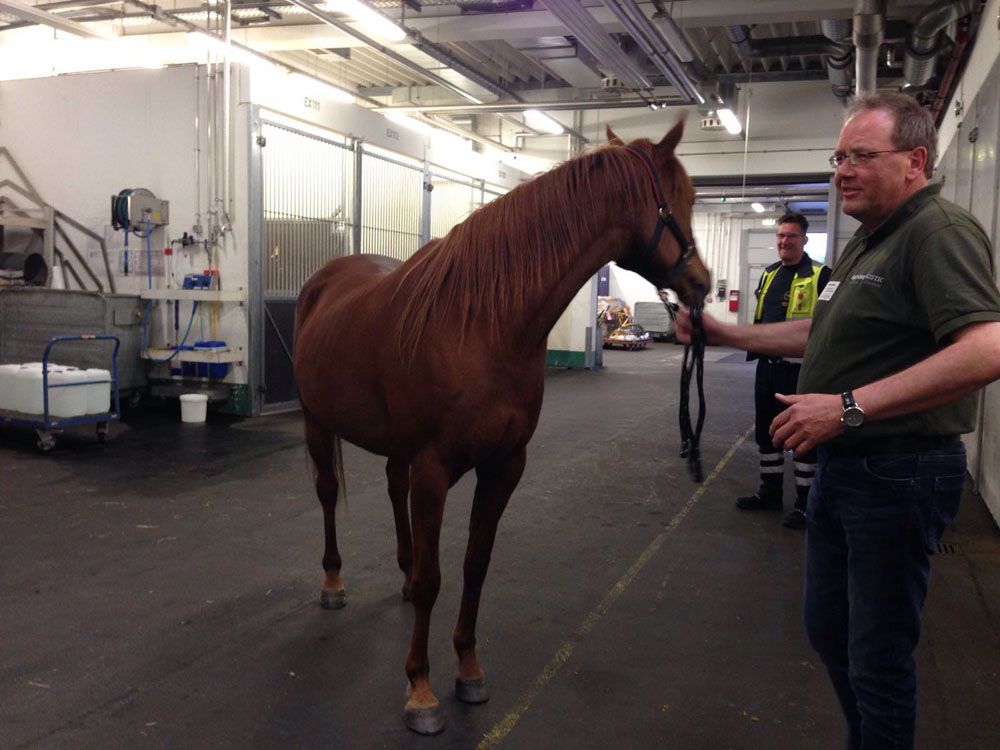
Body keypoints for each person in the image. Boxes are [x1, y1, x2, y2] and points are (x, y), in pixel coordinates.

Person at [677, 93, 1000, 749]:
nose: (843, 171)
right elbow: (817, 333)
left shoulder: (938, 232)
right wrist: (726, 333)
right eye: (838, 158)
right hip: (846, 468)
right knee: (829, 629)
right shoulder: (865, 244)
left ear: (915, 161)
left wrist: (848, 406)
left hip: (898, 471)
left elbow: (987, 348)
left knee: (877, 657)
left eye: (861, 156)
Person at [738, 212, 831, 530]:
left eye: (791, 236)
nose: (784, 241)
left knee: (802, 436)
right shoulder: (769, 274)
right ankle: (769, 493)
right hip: (767, 367)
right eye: (780, 235)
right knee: (767, 433)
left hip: (801, 372)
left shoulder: (821, 274)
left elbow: (829, 323)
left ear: (804, 239)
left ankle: (806, 505)